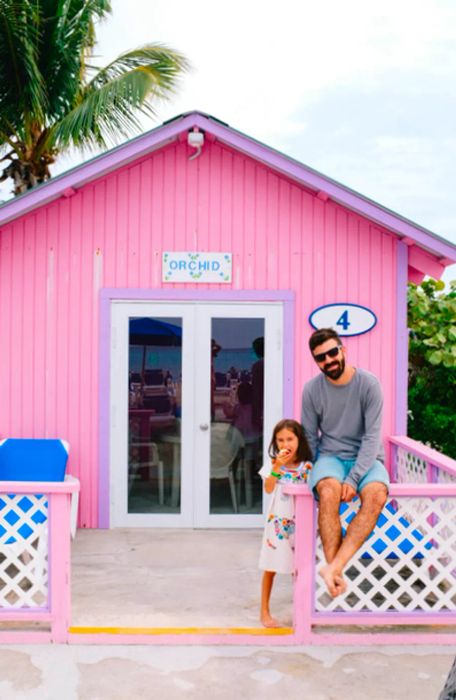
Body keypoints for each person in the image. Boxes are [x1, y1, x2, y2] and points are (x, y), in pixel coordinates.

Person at [301, 327, 389, 598]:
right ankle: (334, 574)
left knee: (375, 495)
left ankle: (333, 568)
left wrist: (353, 480)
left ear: (343, 350)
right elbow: (309, 436)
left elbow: (373, 437)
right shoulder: (312, 390)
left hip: (367, 456)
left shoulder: (369, 384)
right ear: (316, 362)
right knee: (328, 491)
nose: (328, 360)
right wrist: (315, 470)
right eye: (321, 357)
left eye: (332, 352)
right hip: (330, 457)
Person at [258, 419, 312, 628]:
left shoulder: (307, 466)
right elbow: (269, 488)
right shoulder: (274, 464)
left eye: (290, 439)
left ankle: (302, 612)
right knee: (270, 566)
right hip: (278, 522)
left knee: (299, 567)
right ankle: (264, 611)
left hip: (301, 521)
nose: (285, 444)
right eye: (280, 440)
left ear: (299, 440)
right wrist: (277, 467)